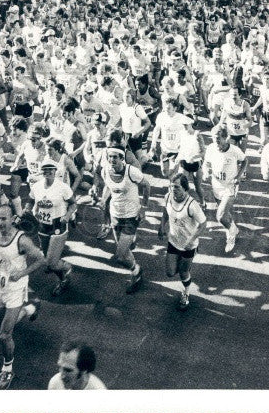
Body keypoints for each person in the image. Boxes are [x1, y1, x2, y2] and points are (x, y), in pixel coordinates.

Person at [0, 202, 45, 389]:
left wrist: (22, 273)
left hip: (15, 289)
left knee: (4, 335)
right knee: (1, 324)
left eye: (4, 218)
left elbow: (41, 259)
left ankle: (7, 370)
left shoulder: (21, 240)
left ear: (12, 219)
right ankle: (30, 308)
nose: (0, 222)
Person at [100, 143, 150, 292]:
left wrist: (144, 208)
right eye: (110, 157)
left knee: (120, 256)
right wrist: (103, 199)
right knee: (124, 249)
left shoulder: (131, 171)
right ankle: (133, 260)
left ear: (122, 158)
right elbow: (108, 186)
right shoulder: (105, 171)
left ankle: (136, 271)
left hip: (131, 216)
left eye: (115, 157)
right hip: (115, 214)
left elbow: (146, 186)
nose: (112, 160)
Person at [158, 173, 207, 310]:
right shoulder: (168, 197)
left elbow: (203, 224)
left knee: (183, 272)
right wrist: (161, 226)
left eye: (177, 187)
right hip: (173, 241)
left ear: (186, 189)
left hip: (188, 245)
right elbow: (165, 211)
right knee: (170, 272)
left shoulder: (192, 205)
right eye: (172, 186)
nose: (174, 189)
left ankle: (186, 293)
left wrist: (192, 240)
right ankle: (183, 264)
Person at [29, 159, 76, 295]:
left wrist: (67, 215)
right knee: (47, 259)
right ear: (41, 171)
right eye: (45, 169)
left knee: (51, 262)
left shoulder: (62, 187)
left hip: (58, 225)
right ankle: (63, 278)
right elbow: (31, 201)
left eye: (51, 169)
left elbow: (73, 204)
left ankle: (66, 268)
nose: (48, 172)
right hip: (43, 225)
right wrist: (31, 210)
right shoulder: (36, 186)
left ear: (55, 171)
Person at [201, 124, 246, 253]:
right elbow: (206, 163)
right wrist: (205, 172)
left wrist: (238, 176)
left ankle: (231, 235)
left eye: (218, 139)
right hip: (216, 186)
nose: (216, 142)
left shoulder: (234, 150)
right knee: (225, 213)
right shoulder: (211, 148)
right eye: (214, 139)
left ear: (226, 138)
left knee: (220, 216)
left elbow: (245, 161)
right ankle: (233, 228)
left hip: (230, 187)